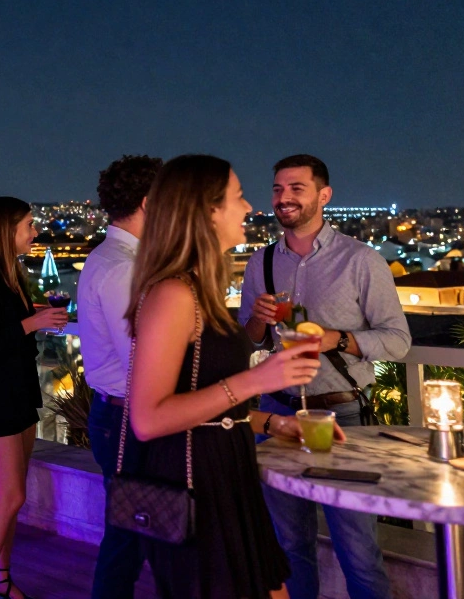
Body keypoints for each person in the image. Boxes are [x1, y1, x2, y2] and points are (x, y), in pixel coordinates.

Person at [126, 154, 335, 599]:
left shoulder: (201, 289)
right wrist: (257, 382)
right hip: (196, 484)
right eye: (238, 197)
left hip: (227, 474)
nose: (249, 207)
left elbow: (202, 397)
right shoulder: (173, 294)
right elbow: (147, 418)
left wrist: (272, 423)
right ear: (207, 210)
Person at [241, 155, 410, 599]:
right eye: (278, 189)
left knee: (357, 546)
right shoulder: (260, 263)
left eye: (297, 188)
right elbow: (251, 343)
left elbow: (397, 341)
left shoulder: (361, 260)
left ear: (324, 195)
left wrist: (336, 339)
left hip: (342, 416)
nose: (284, 197)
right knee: (288, 544)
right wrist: (257, 322)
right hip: (277, 414)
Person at [0, 197, 68, 599]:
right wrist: (35, 321)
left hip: (16, 390)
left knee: (11, 495)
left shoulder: (8, 273)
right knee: (9, 495)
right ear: (8, 229)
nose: (34, 231)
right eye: (28, 224)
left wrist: (35, 315)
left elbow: (1, 324)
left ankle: (1, 578)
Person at [77, 155, 162, 599]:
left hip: (118, 414)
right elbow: (143, 360)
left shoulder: (108, 257)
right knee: (129, 537)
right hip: (128, 418)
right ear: (149, 203)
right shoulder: (123, 268)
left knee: (130, 535)